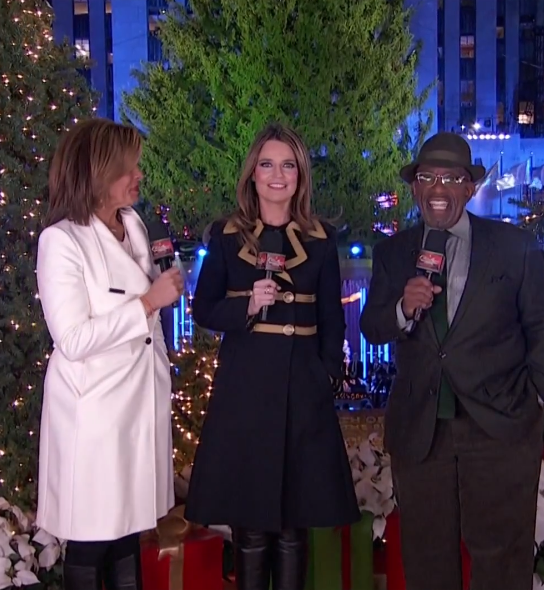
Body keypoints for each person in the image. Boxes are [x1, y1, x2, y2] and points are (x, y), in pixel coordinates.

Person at [360, 132, 544, 590]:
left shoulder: (515, 248)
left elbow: (541, 331)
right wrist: (402, 308)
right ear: (414, 187)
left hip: (501, 431)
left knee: (502, 564)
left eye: (450, 178)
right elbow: (372, 327)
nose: (438, 188)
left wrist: (535, 404)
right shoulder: (393, 253)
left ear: (469, 187)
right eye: (427, 178)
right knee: (427, 563)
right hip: (422, 434)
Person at [185, 123, 360, 590]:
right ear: (253, 174)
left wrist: (326, 375)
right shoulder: (226, 236)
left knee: (292, 527)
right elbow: (203, 309)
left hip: (303, 391)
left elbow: (332, 319)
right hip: (243, 392)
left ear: (300, 176)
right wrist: (246, 305)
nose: (277, 175)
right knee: (250, 525)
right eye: (267, 164)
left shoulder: (321, 238)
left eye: (287, 165)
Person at [35, 119, 184, 590]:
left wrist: (166, 285)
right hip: (94, 415)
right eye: (129, 168)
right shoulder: (62, 241)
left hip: (140, 404)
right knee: (92, 539)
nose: (139, 175)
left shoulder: (135, 224)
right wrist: (147, 304)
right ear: (98, 174)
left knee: (127, 535)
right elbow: (73, 339)